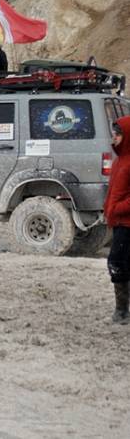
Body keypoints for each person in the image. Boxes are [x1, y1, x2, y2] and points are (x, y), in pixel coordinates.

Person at [105, 117, 130, 324]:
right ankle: (122, 310)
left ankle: (122, 311)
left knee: (117, 262)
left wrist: (116, 209)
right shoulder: (118, 160)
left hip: (127, 222)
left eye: (118, 133)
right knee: (120, 263)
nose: (114, 137)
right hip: (119, 222)